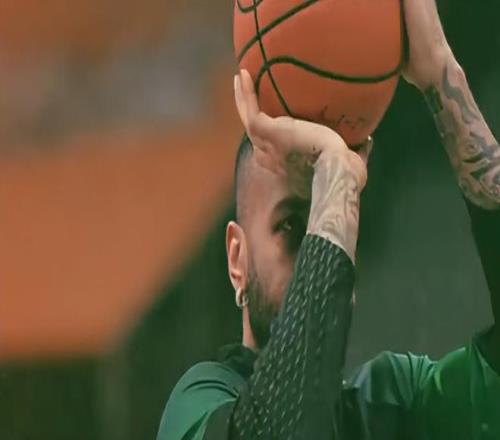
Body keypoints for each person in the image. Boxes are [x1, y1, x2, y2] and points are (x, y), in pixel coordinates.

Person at [157, 0, 500, 439]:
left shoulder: (392, 405)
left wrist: (441, 76)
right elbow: (286, 428)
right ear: (237, 260)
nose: (322, 253)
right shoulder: (196, 406)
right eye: (292, 227)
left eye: (336, 223)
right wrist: (335, 173)